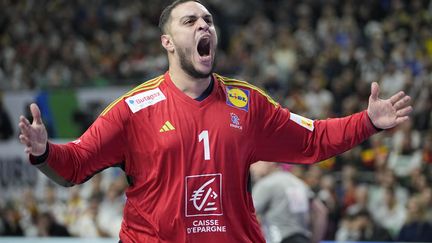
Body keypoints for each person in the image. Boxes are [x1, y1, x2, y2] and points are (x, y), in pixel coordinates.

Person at [18, 0, 412, 242]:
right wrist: (43, 152)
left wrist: (368, 122)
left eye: (208, 20)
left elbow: (313, 140)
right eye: (189, 22)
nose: (204, 25)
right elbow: (75, 165)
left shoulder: (247, 103)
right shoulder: (134, 109)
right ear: (167, 42)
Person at [251, 161, 327, 243]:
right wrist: (314, 240)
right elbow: (321, 211)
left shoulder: (266, 184)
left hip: (280, 238)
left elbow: (248, 215)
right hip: (303, 238)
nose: (251, 167)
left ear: (270, 162)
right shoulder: (298, 183)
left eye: (256, 161)